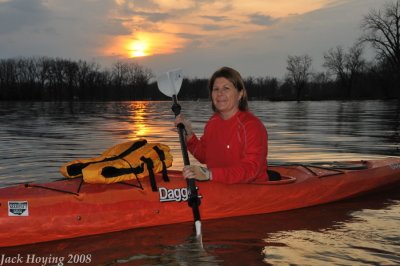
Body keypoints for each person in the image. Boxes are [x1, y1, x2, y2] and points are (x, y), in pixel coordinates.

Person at [175, 66, 268, 184]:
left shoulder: (252, 126)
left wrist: (210, 175)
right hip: (218, 187)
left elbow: (251, 170)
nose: (220, 93)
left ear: (240, 94)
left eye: (226, 88)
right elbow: (204, 156)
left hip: (252, 191)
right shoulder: (212, 122)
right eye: (216, 89)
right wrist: (188, 134)